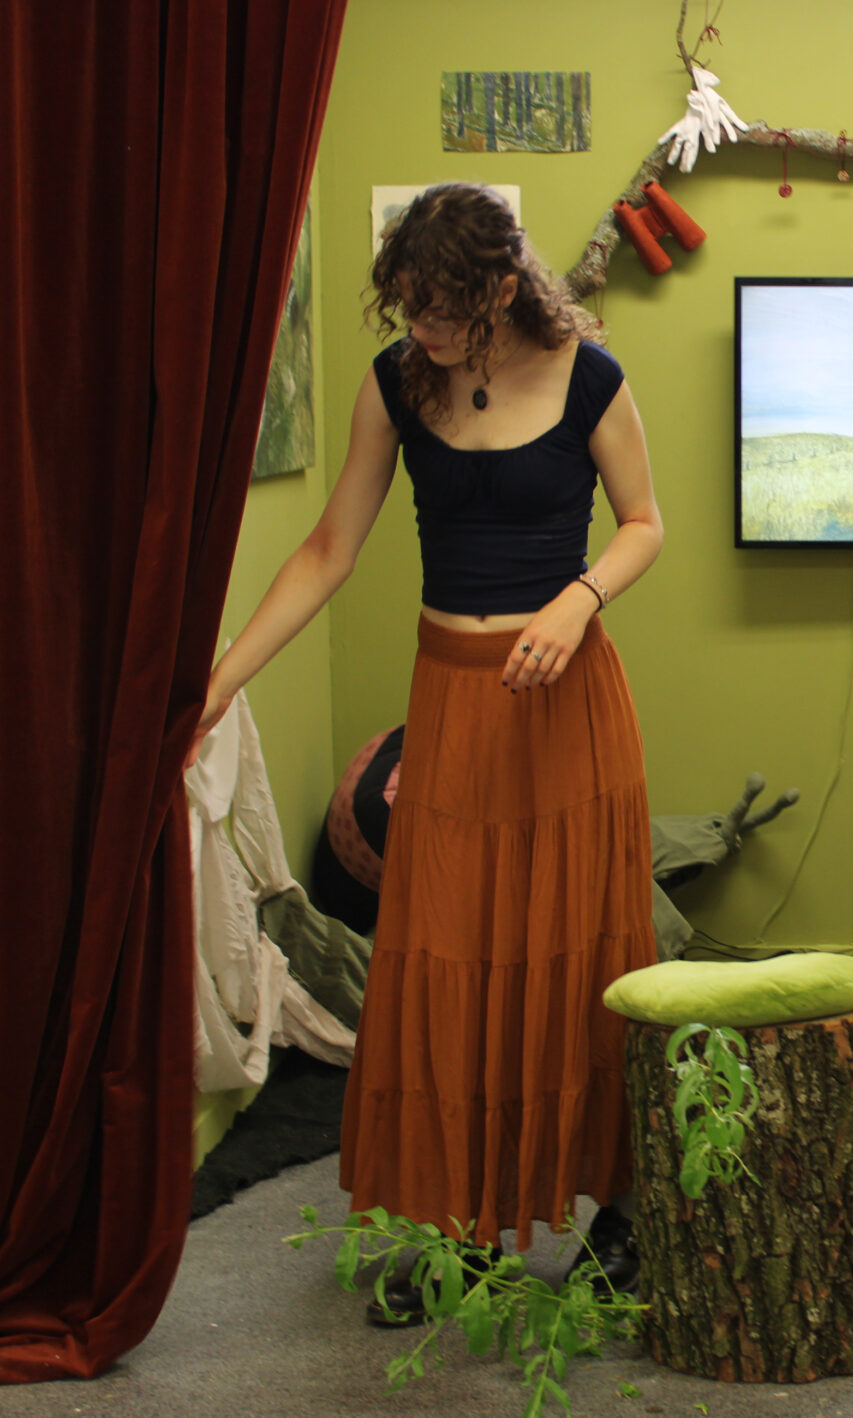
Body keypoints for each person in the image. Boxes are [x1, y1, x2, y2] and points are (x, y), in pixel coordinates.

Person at [188, 183, 664, 1324]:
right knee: (454, 956)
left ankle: (618, 1208)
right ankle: (470, 1225)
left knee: (574, 952)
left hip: (565, 704)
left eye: (442, 309)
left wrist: (580, 599)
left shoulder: (590, 377)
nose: (423, 330)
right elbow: (327, 548)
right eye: (408, 306)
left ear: (501, 287)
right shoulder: (400, 383)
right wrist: (221, 681)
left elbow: (645, 523)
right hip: (452, 703)